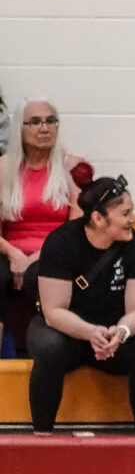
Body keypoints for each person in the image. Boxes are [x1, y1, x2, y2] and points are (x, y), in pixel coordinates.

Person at [30, 173, 135, 435]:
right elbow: (53, 312)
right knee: (48, 346)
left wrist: (120, 332)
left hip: (114, 337)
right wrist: (91, 333)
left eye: (132, 211)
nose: (133, 219)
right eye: (125, 214)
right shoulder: (61, 242)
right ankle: (41, 436)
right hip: (68, 333)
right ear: (98, 219)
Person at [0, 98, 87, 348]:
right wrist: (14, 254)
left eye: (51, 121)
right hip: (10, 250)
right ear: (20, 128)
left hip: (55, 252)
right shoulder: (4, 167)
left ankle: (53, 344)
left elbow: (77, 226)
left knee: (40, 274)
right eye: (35, 122)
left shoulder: (72, 167)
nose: (44, 128)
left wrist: (36, 257)